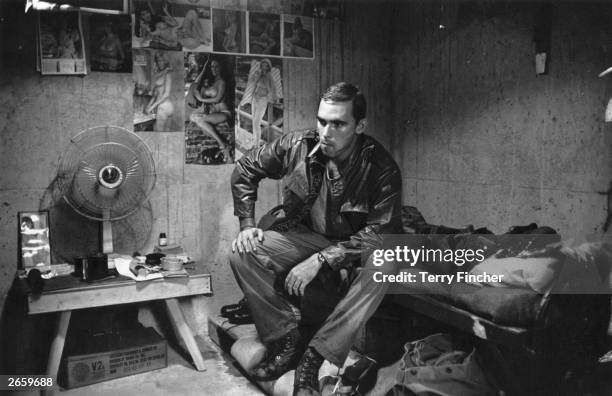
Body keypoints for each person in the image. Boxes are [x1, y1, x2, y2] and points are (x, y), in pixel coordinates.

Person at [229, 82, 402, 395]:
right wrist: (247, 225)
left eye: (338, 124)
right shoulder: (296, 144)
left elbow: (380, 235)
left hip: (351, 247)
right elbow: (245, 168)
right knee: (243, 251)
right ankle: (286, 340)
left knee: (386, 260)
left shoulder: (380, 166)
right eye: (322, 121)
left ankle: (315, 356)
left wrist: (322, 259)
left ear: (359, 126)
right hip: (305, 236)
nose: (326, 132)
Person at [189, 58, 232, 163]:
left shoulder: (222, 82)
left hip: (224, 113)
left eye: (216, 66)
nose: (214, 69)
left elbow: (218, 98)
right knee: (192, 116)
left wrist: (201, 98)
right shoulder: (212, 82)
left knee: (200, 121)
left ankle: (223, 145)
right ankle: (224, 143)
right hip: (215, 112)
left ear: (221, 68)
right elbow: (196, 84)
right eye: (212, 66)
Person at [239, 58, 277, 147]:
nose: (264, 67)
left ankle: (257, 143)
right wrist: (256, 76)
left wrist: (273, 98)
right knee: (254, 122)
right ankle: (254, 141)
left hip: (262, 100)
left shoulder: (270, 77)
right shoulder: (259, 74)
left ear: (268, 67)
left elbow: (272, 90)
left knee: (257, 123)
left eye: (266, 65)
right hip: (255, 99)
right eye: (262, 65)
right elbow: (252, 83)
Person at [146, 51, 174, 131]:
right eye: (158, 60)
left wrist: (151, 107)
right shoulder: (160, 74)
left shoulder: (168, 73)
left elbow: (166, 94)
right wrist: (149, 105)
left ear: (165, 61)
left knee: (159, 133)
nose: (159, 62)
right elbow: (155, 94)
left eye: (161, 60)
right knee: (166, 133)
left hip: (163, 106)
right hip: (165, 106)